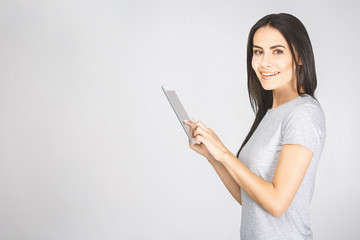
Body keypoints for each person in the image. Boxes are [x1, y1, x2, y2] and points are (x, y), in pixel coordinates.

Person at [184, 13, 326, 240]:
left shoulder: (303, 114)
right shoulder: (270, 114)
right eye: (258, 51)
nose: (264, 62)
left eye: (277, 51)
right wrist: (212, 156)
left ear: (299, 56)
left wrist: (223, 153)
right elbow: (249, 198)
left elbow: (276, 203)